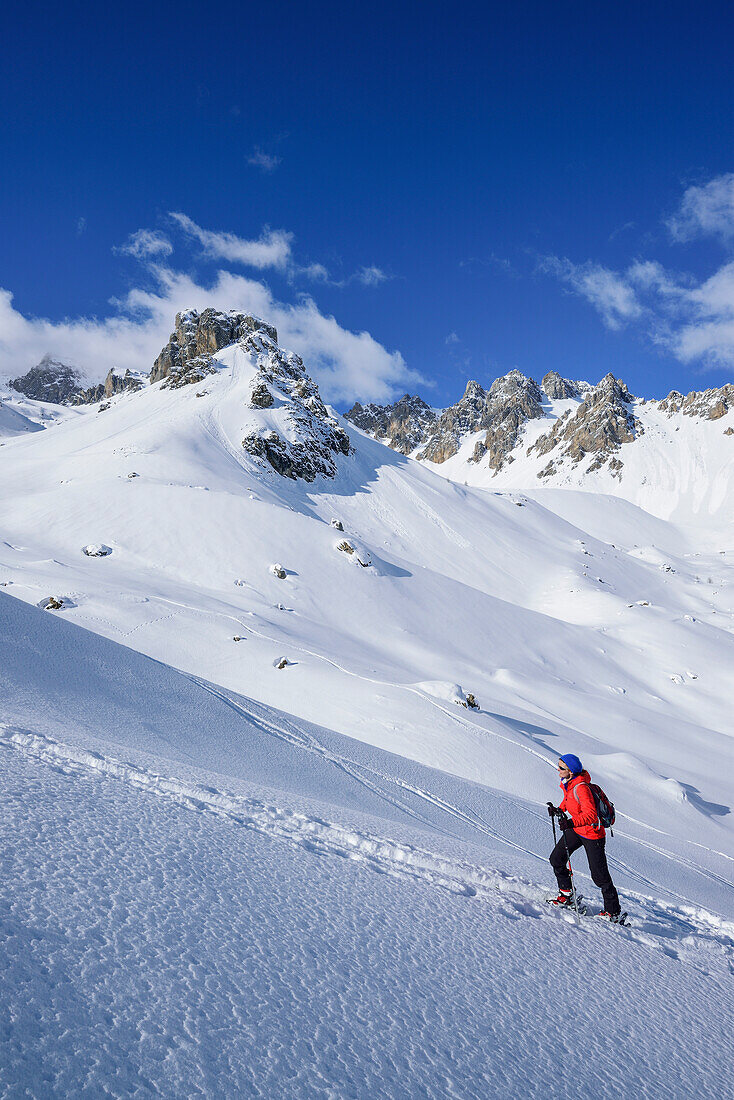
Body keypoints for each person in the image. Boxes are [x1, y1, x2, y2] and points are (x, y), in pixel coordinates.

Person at [548, 753, 622, 921]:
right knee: (556, 859)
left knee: (600, 876)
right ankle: (567, 895)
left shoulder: (581, 787)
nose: (557, 769)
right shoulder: (569, 783)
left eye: (561, 767)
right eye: (558, 766)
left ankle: (613, 913)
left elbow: (591, 815)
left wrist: (570, 823)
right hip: (577, 830)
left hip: (592, 834)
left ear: (571, 771)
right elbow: (569, 802)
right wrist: (559, 810)